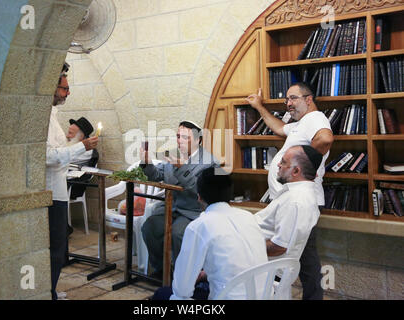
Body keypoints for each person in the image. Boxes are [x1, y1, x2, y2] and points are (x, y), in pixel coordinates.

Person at [246, 83, 333, 300]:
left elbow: (325, 139)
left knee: (306, 260)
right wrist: (259, 107)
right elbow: (277, 127)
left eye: (293, 98)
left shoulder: (315, 118)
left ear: (309, 99)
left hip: (298, 201)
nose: (288, 104)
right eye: (287, 100)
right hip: (288, 201)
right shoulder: (300, 124)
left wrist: (304, 163)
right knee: (301, 257)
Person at [152, 167, 268, 300]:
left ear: (199, 197)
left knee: (162, 294)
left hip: (226, 298)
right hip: (264, 294)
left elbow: (182, 290)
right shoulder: (249, 217)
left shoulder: (199, 226)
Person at [46, 62, 99, 300]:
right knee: (55, 249)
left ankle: (50, 290)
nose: (68, 93)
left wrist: (79, 148)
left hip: (60, 188)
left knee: (58, 248)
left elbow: (59, 156)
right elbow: (50, 157)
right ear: (52, 88)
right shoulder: (44, 118)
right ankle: (47, 292)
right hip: (51, 190)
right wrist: (80, 146)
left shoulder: (51, 115)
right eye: (65, 88)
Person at [140, 120, 219, 279]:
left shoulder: (210, 162)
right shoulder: (173, 154)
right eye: (178, 136)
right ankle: (162, 270)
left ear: (198, 140)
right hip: (171, 207)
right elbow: (157, 175)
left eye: (185, 138)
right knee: (149, 227)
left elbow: (202, 191)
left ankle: (181, 277)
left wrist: (182, 168)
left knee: (178, 233)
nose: (179, 141)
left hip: (193, 211)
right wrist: (146, 163)